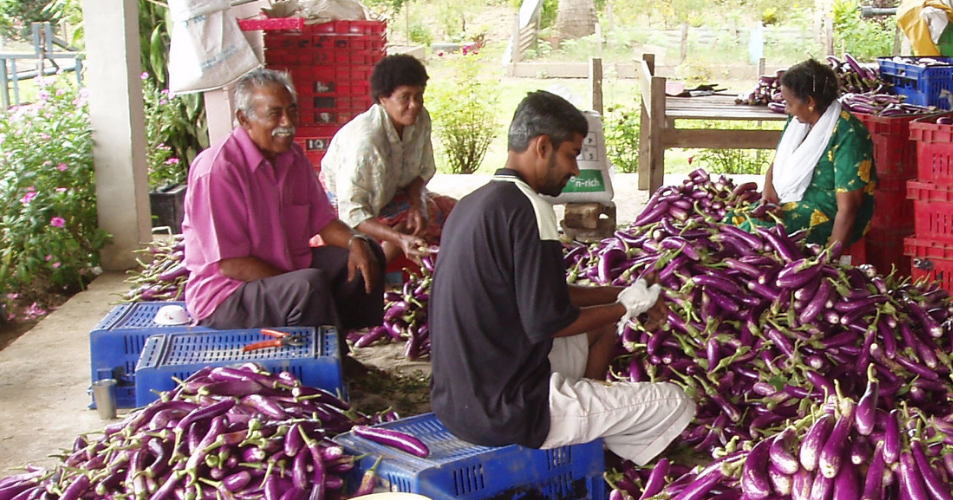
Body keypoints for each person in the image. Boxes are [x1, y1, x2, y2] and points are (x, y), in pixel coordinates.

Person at [429, 91, 695, 464]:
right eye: (571, 154)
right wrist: (623, 309)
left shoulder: (473, 204)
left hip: (457, 403)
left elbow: (548, 295)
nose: (574, 170)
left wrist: (620, 292)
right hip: (512, 410)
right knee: (675, 402)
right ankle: (599, 459)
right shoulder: (531, 210)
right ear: (542, 146)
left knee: (600, 330)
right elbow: (548, 321)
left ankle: (585, 425)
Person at [182, 69, 385, 331]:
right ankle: (336, 361)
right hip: (227, 295)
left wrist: (354, 240)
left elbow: (324, 222)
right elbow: (232, 264)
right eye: (275, 113)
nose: (288, 122)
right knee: (307, 286)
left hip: (285, 270)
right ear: (244, 119)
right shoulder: (218, 171)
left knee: (367, 251)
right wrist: (296, 281)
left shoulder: (293, 158)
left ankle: (339, 339)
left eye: (292, 111)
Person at [730, 59, 877, 251]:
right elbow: (777, 164)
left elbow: (849, 208)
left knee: (750, 236)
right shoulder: (798, 121)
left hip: (826, 216)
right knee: (730, 222)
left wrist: (830, 258)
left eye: (789, 103)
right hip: (790, 200)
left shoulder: (848, 134)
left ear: (809, 102)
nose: (786, 109)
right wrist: (768, 199)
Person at [321, 54, 456, 265]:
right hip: (344, 202)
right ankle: (378, 268)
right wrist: (398, 237)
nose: (414, 105)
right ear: (383, 99)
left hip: (390, 194)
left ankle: (393, 248)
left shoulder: (420, 120)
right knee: (409, 227)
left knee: (452, 213)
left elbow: (421, 172)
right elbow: (353, 211)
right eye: (405, 97)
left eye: (419, 96)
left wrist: (418, 203)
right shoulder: (365, 142)